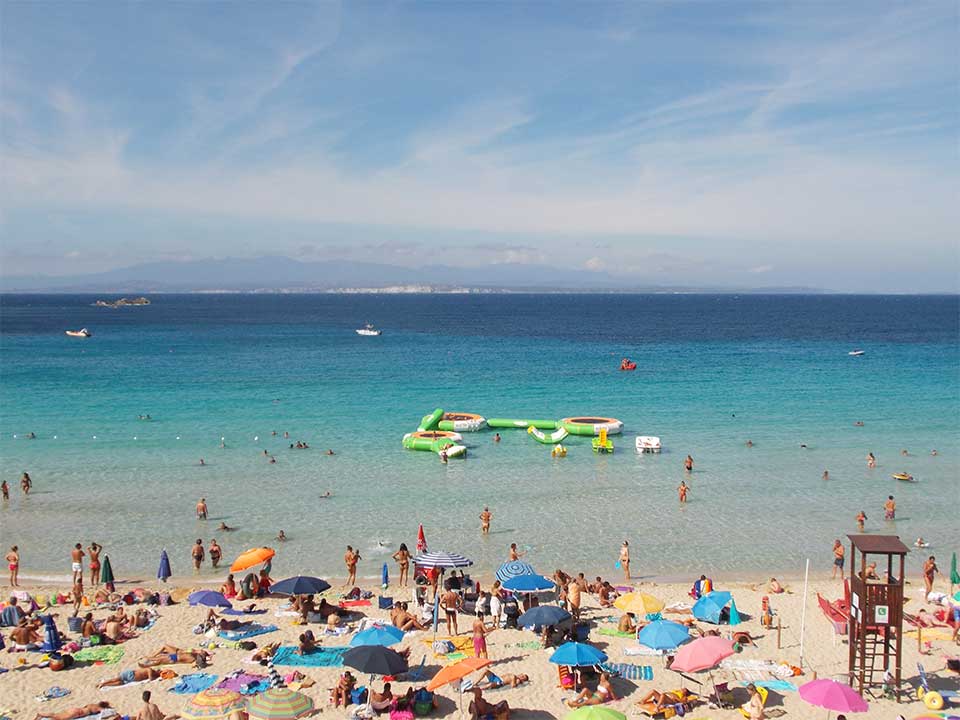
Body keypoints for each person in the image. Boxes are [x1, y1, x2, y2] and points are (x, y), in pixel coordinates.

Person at [138, 645, 211, 668]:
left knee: (159, 660)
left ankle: (146, 665)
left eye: (201, 652)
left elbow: (193, 665)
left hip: (175, 658)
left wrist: (199, 663)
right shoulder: (194, 654)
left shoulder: (193, 657)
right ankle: (148, 658)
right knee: (159, 658)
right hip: (176, 655)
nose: (201, 651)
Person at [31, 702, 112, 720]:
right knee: (59, 718)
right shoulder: (97, 708)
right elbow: (103, 711)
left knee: (57, 715)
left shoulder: (91, 704)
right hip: (77, 713)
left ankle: (43, 716)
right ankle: (42, 715)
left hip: (75, 709)